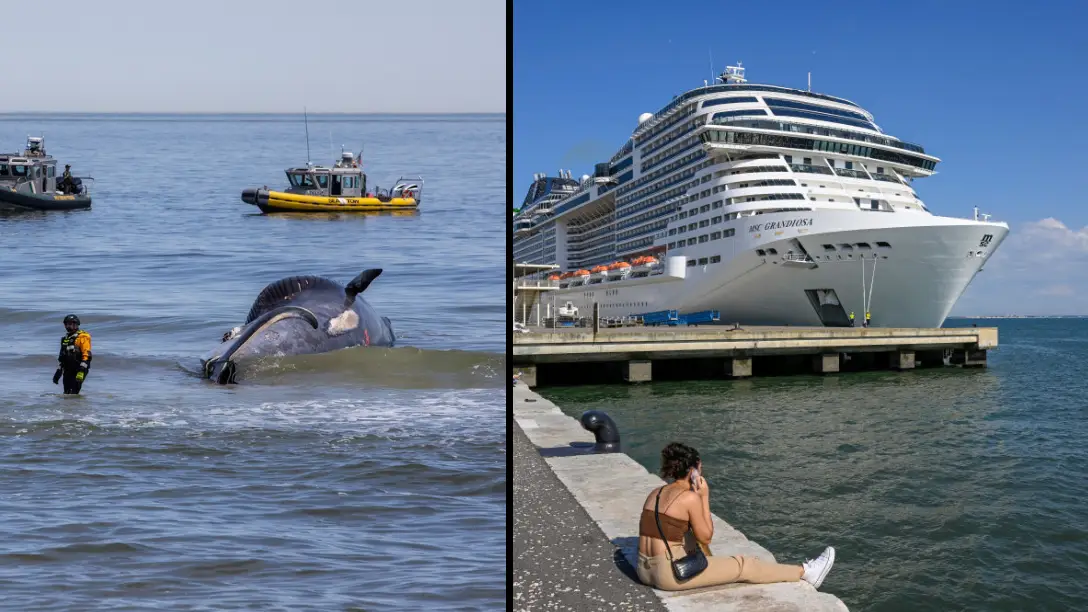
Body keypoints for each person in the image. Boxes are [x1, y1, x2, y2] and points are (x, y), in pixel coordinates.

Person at [637, 442, 835, 591]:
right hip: (670, 575)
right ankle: (806, 572)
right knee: (744, 565)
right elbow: (706, 537)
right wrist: (704, 496)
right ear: (694, 472)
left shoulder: (656, 493)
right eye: (701, 468)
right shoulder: (689, 498)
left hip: (644, 570)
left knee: (686, 534)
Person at [53, 314, 92, 394]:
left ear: (76, 324)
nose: (68, 326)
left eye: (70, 324)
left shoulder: (82, 337)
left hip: (79, 368)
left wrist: (82, 369)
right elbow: (62, 357)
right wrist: (59, 371)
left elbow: (87, 354)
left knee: (74, 391)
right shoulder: (65, 339)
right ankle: (69, 406)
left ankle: (77, 405)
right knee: (67, 392)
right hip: (68, 369)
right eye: (67, 324)